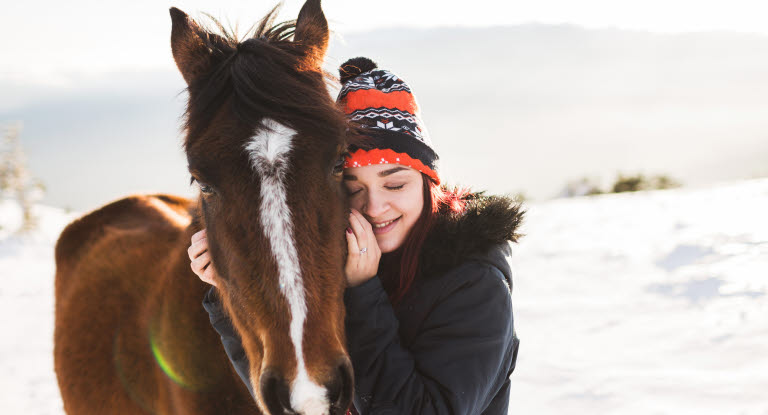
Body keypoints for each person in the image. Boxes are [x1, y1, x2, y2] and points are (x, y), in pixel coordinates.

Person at [187, 57, 524, 414]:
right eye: (352, 187)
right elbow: (300, 399)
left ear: (428, 184)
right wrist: (231, 290)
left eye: (395, 184)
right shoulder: (336, 266)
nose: (374, 207)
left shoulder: (474, 284)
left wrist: (363, 293)